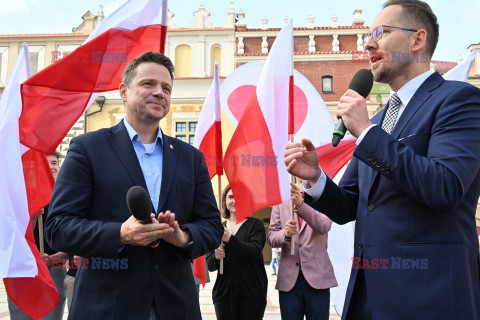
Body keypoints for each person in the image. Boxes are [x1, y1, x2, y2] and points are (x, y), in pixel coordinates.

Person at [284, 0, 480, 319]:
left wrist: (364, 132)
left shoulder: (458, 101)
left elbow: (444, 187)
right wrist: (316, 177)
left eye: (381, 32)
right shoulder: (377, 123)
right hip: (368, 299)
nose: (368, 43)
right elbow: (349, 205)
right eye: (367, 35)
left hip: (430, 298)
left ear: (417, 40)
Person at [45, 51, 223, 320]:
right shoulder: (88, 148)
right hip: (107, 307)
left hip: (175, 307)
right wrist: (119, 233)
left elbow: (211, 224)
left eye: (166, 88)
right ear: (124, 92)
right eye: (148, 84)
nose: (159, 92)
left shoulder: (191, 157)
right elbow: (58, 227)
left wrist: (183, 236)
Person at [8, 152, 68, 320]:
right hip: (23, 272)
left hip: (54, 271)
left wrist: (54, 259)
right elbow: (14, 240)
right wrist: (33, 219)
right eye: (44, 163)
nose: (51, 167)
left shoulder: (66, 198)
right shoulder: (19, 197)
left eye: (54, 162)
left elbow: (73, 241)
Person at [268, 180, 337, 320]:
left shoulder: (323, 197)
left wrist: (301, 205)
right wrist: (285, 234)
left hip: (318, 279)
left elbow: (324, 226)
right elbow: (271, 238)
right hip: (289, 281)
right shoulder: (281, 201)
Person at [206, 185, 268, 320]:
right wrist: (216, 256)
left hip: (252, 292)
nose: (234, 201)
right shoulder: (219, 228)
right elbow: (210, 265)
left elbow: (254, 252)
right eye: (230, 197)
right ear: (224, 201)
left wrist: (230, 239)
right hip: (224, 294)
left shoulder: (255, 224)